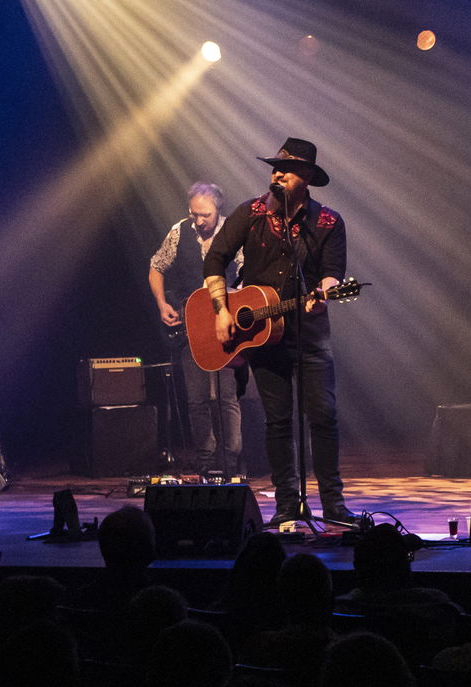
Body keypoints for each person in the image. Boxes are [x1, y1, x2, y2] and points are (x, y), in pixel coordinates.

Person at [202, 138, 356, 527]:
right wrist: (221, 311)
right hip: (262, 338)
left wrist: (324, 293)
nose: (277, 173)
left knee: (323, 416)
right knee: (278, 421)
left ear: (306, 178)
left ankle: (333, 505)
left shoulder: (327, 222)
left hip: (310, 335)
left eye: (285, 169)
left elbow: (332, 272)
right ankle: (286, 503)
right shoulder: (250, 213)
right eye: (274, 167)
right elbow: (215, 258)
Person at [149, 181, 243, 473]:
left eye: (205, 215)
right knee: (196, 398)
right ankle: (205, 460)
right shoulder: (180, 231)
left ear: (219, 210)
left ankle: (231, 461)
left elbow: (245, 272)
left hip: (225, 324)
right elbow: (156, 266)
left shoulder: (233, 231)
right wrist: (162, 304)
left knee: (227, 396)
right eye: (194, 215)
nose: (199, 221)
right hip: (191, 325)